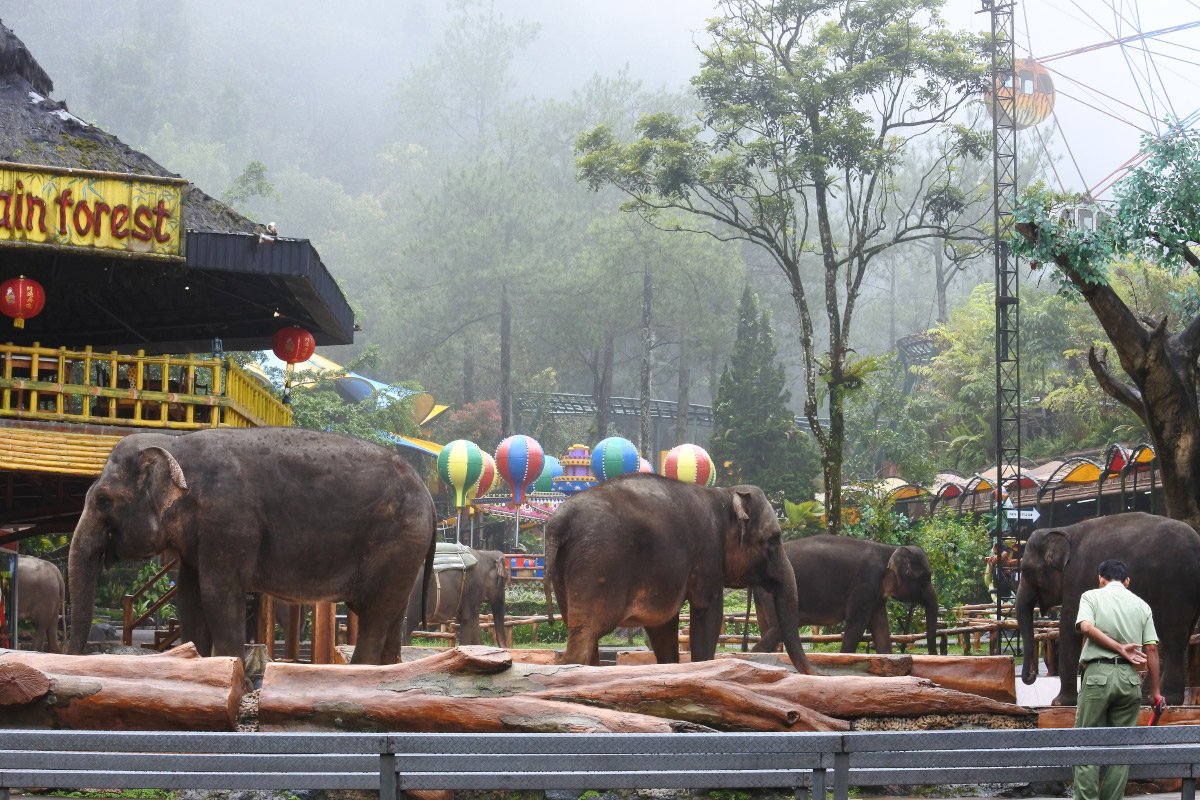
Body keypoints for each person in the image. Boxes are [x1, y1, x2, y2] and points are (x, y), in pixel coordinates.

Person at [1073, 559, 1161, 800]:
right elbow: (1151, 649)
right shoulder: (1142, 605)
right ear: (1127, 581)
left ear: (1101, 579)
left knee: (1086, 743)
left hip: (1098, 676)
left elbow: (1086, 627)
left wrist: (1119, 647)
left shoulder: (1091, 596)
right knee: (1121, 749)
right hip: (1130, 680)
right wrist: (1155, 692)